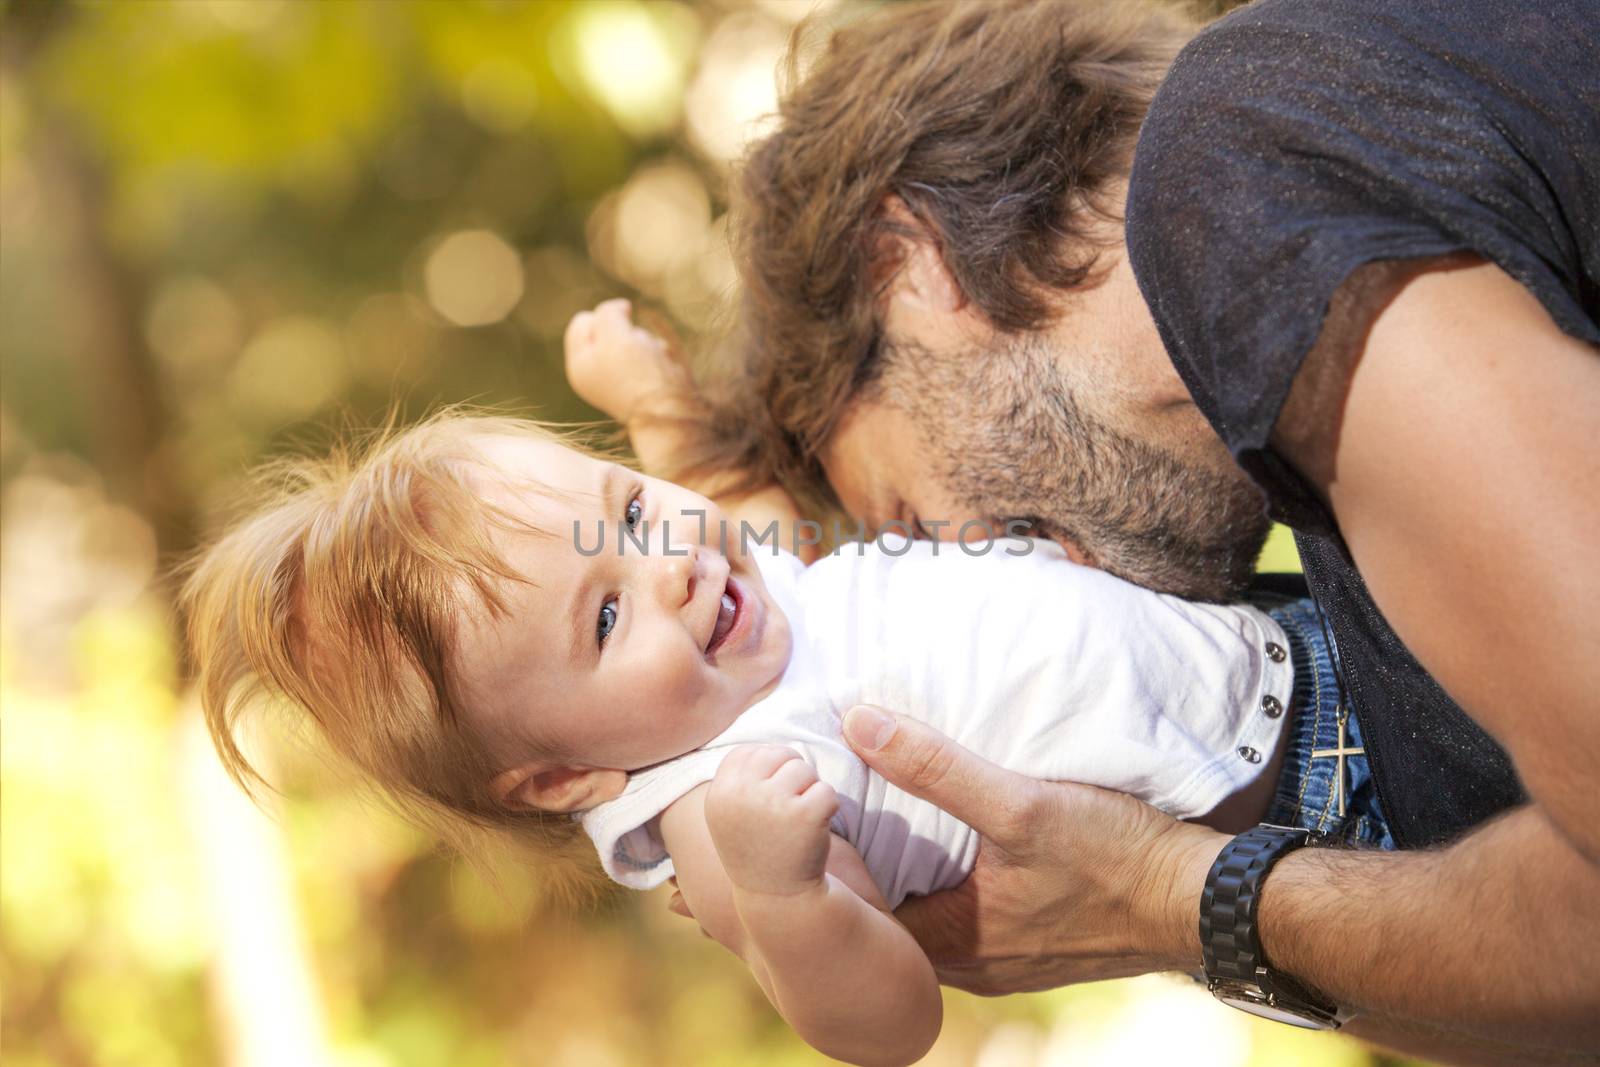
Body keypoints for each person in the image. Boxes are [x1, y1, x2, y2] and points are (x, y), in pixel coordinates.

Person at [710, 0, 1600, 1061]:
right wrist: (1148, 902)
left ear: (901, 264)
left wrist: (1162, 899)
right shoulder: (1336, 542)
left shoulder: (1235, 153)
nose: (968, 569)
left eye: (906, 521)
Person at [182, 301, 1385, 1067]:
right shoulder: (720, 802)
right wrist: (787, 891)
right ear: (564, 773)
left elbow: (737, 519)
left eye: (632, 511)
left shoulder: (733, 596)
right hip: (1307, 803)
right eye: (604, 616)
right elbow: (883, 1025)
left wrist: (653, 412)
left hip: (1275, 632)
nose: (675, 567)